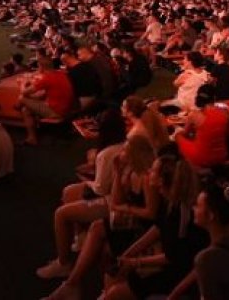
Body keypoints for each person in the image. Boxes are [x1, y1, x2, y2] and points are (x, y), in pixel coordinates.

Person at [41, 136, 159, 295]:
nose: (121, 152)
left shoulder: (146, 177)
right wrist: (118, 172)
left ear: (135, 154)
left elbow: (151, 213)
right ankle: (72, 284)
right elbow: (117, 200)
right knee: (97, 227)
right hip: (131, 219)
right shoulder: (130, 171)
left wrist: (127, 208)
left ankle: (71, 282)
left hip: (144, 227)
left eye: (125, 149)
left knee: (100, 233)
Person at [101, 154, 208, 300]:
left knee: (115, 293)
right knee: (113, 272)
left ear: (162, 180)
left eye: (153, 170)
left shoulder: (179, 212)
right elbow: (157, 229)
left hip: (180, 271)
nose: (149, 171)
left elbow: (172, 257)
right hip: (171, 258)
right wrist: (128, 254)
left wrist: (135, 262)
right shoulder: (167, 199)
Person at [36, 109, 127, 280]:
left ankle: (64, 263)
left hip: (111, 200)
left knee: (60, 214)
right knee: (69, 191)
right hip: (110, 192)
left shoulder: (107, 153)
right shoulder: (123, 144)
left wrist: (86, 181)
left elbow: (100, 189)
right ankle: (79, 238)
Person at [16, 55, 75, 145]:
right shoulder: (61, 74)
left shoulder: (46, 78)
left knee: (21, 98)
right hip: (67, 107)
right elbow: (47, 93)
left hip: (56, 111)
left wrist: (23, 83)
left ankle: (16, 107)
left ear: (41, 67)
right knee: (26, 110)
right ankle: (32, 138)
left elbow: (24, 92)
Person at [176, 87, 229, 168]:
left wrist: (177, 129)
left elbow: (185, 133)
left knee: (178, 136)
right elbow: (228, 134)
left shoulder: (194, 115)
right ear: (214, 98)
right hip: (222, 155)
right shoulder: (226, 113)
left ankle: (182, 169)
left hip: (203, 157)